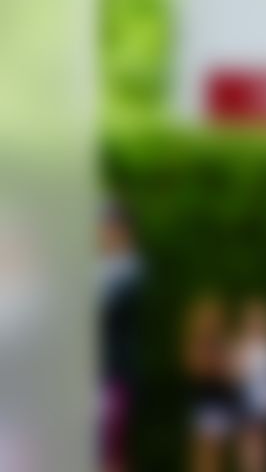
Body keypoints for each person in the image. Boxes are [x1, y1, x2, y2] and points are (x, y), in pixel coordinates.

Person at [99, 202, 143, 472]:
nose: (105, 232)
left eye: (112, 227)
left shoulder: (130, 269)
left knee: (112, 446)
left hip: (115, 370)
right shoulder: (97, 267)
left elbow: (108, 312)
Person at [185, 296, 238, 472]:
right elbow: (196, 369)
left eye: (214, 317)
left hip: (226, 404)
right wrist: (219, 365)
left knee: (220, 456)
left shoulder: (225, 342)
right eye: (208, 317)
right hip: (205, 404)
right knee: (205, 454)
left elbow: (233, 374)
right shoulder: (197, 343)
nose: (211, 321)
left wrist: (223, 366)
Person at [234, 298, 266, 472]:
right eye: (254, 320)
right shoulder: (241, 345)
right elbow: (236, 375)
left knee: (265, 451)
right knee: (249, 450)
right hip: (247, 403)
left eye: (262, 320)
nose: (258, 324)